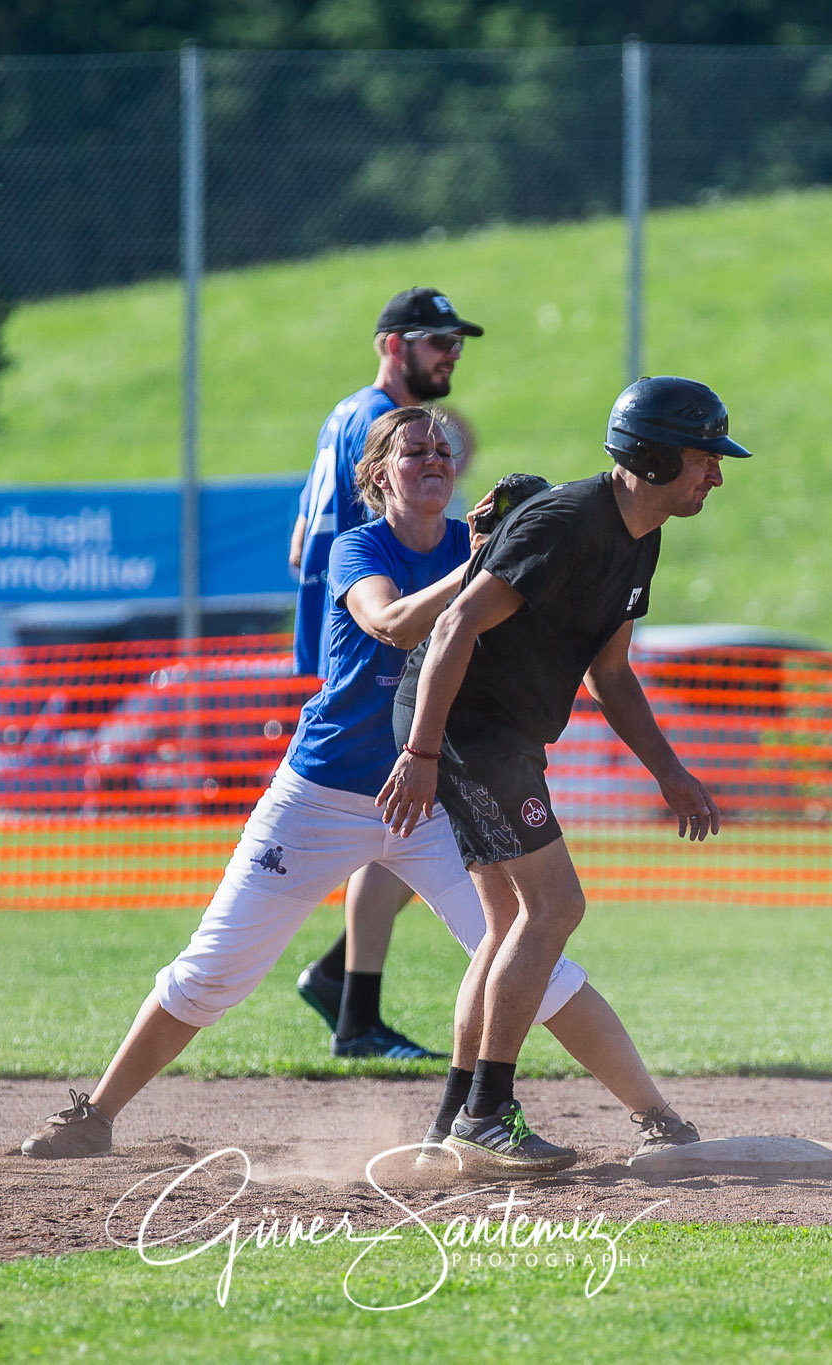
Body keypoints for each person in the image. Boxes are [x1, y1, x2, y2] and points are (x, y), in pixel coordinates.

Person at [21, 408, 701, 1165]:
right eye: (414, 451)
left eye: (443, 449)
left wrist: (519, 550)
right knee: (214, 971)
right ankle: (95, 1114)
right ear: (379, 475)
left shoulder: (472, 542)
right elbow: (395, 624)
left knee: (528, 948)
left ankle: (654, 1117)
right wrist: (488, 563)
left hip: (435, 795)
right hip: (325, 793)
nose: (434, 459)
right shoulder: (361, 546)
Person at [379, 376, 747, 1174]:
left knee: (510, 920)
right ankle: (487, 1114)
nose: (715, 475)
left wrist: (669, 771)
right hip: (468, 727)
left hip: (498, 733)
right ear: (654, 457)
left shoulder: (639, 537)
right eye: (704, 458)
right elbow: (454, 624)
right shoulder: (564, 523)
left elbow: (610, 673)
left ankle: (453, 1121)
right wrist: (422, 754)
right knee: (556, 905)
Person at [287, 287, 483, 1060]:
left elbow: (300, 545)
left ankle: (347, 989)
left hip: (351, 634)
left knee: (402, 822)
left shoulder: (344, 413)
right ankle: (350, 998)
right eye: (439, 340)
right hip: (380, 644)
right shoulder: (385, 421)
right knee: (402, 820)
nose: (452, 354)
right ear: (393, 345)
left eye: (457, 342)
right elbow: (377, 547)